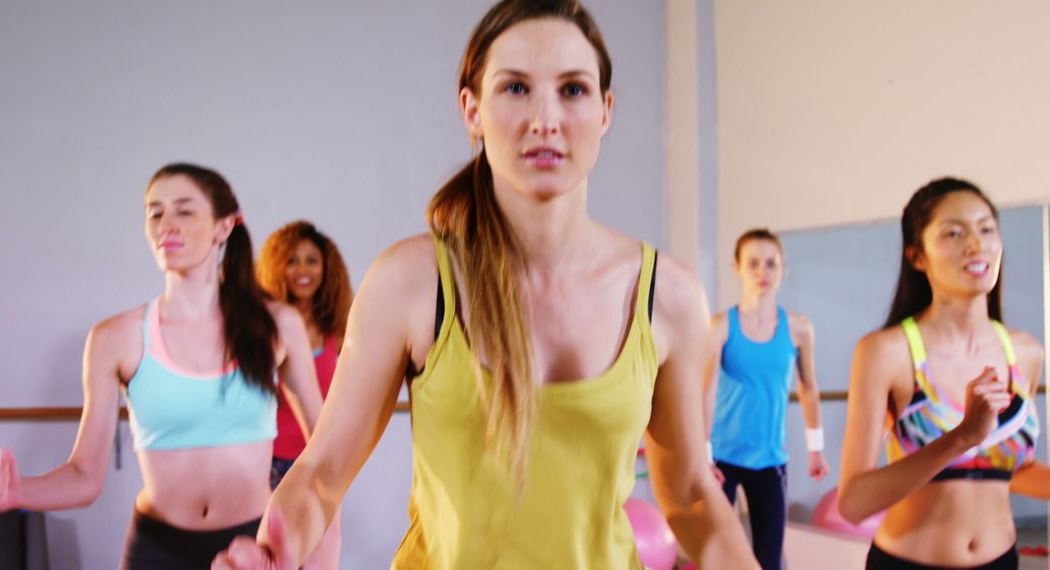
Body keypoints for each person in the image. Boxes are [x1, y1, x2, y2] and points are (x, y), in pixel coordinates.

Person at [211, 1, 757, 568]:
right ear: (471, 110)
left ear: (605, 111)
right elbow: (321, 475)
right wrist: (275, 551)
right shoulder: (411, 283)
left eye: (573, 90)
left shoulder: (667, 295)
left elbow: (692, 495)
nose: (545, 118)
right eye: (515, 88)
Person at [0, 163, 324, 570]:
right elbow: (85, 476)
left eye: (184, 211)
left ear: (223, 227)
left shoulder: (277, 326)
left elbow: (325, 451)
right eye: (155, 213)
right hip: (157, 550)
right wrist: (19, 493)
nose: (165, 225)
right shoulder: (114, 339)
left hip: (253, 549)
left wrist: (311, 546)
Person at [838, 177, 1048, 569]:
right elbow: (853, 502)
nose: (975, 243)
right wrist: (964, 436)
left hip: (1001, 560)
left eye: (986, 228)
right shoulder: (886, 352)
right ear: (917, 256)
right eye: (954, 232)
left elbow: (1011, 470)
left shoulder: (1025, 351)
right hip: (908, 562)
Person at [703, 228, 829, 570]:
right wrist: (704, 455)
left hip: (770, 460)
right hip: (722, 461)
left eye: (771, 264)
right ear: (737, 269)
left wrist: (816, 448)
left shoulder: (799, 328)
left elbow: (808, 388)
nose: (763, 272)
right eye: (754, 263)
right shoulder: (720, 326)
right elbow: (706, 390)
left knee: (769, 560)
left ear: (782, 269)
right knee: (715, 555)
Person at [256, 221, 352, 569]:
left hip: (318, 462)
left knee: (316, 558)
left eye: (312, 260)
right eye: (292, 260)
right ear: (277, 267)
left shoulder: (339, 331)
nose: (302, 270)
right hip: (270, 464)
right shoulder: (266, 328)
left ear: (326, 269)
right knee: (273, 559)